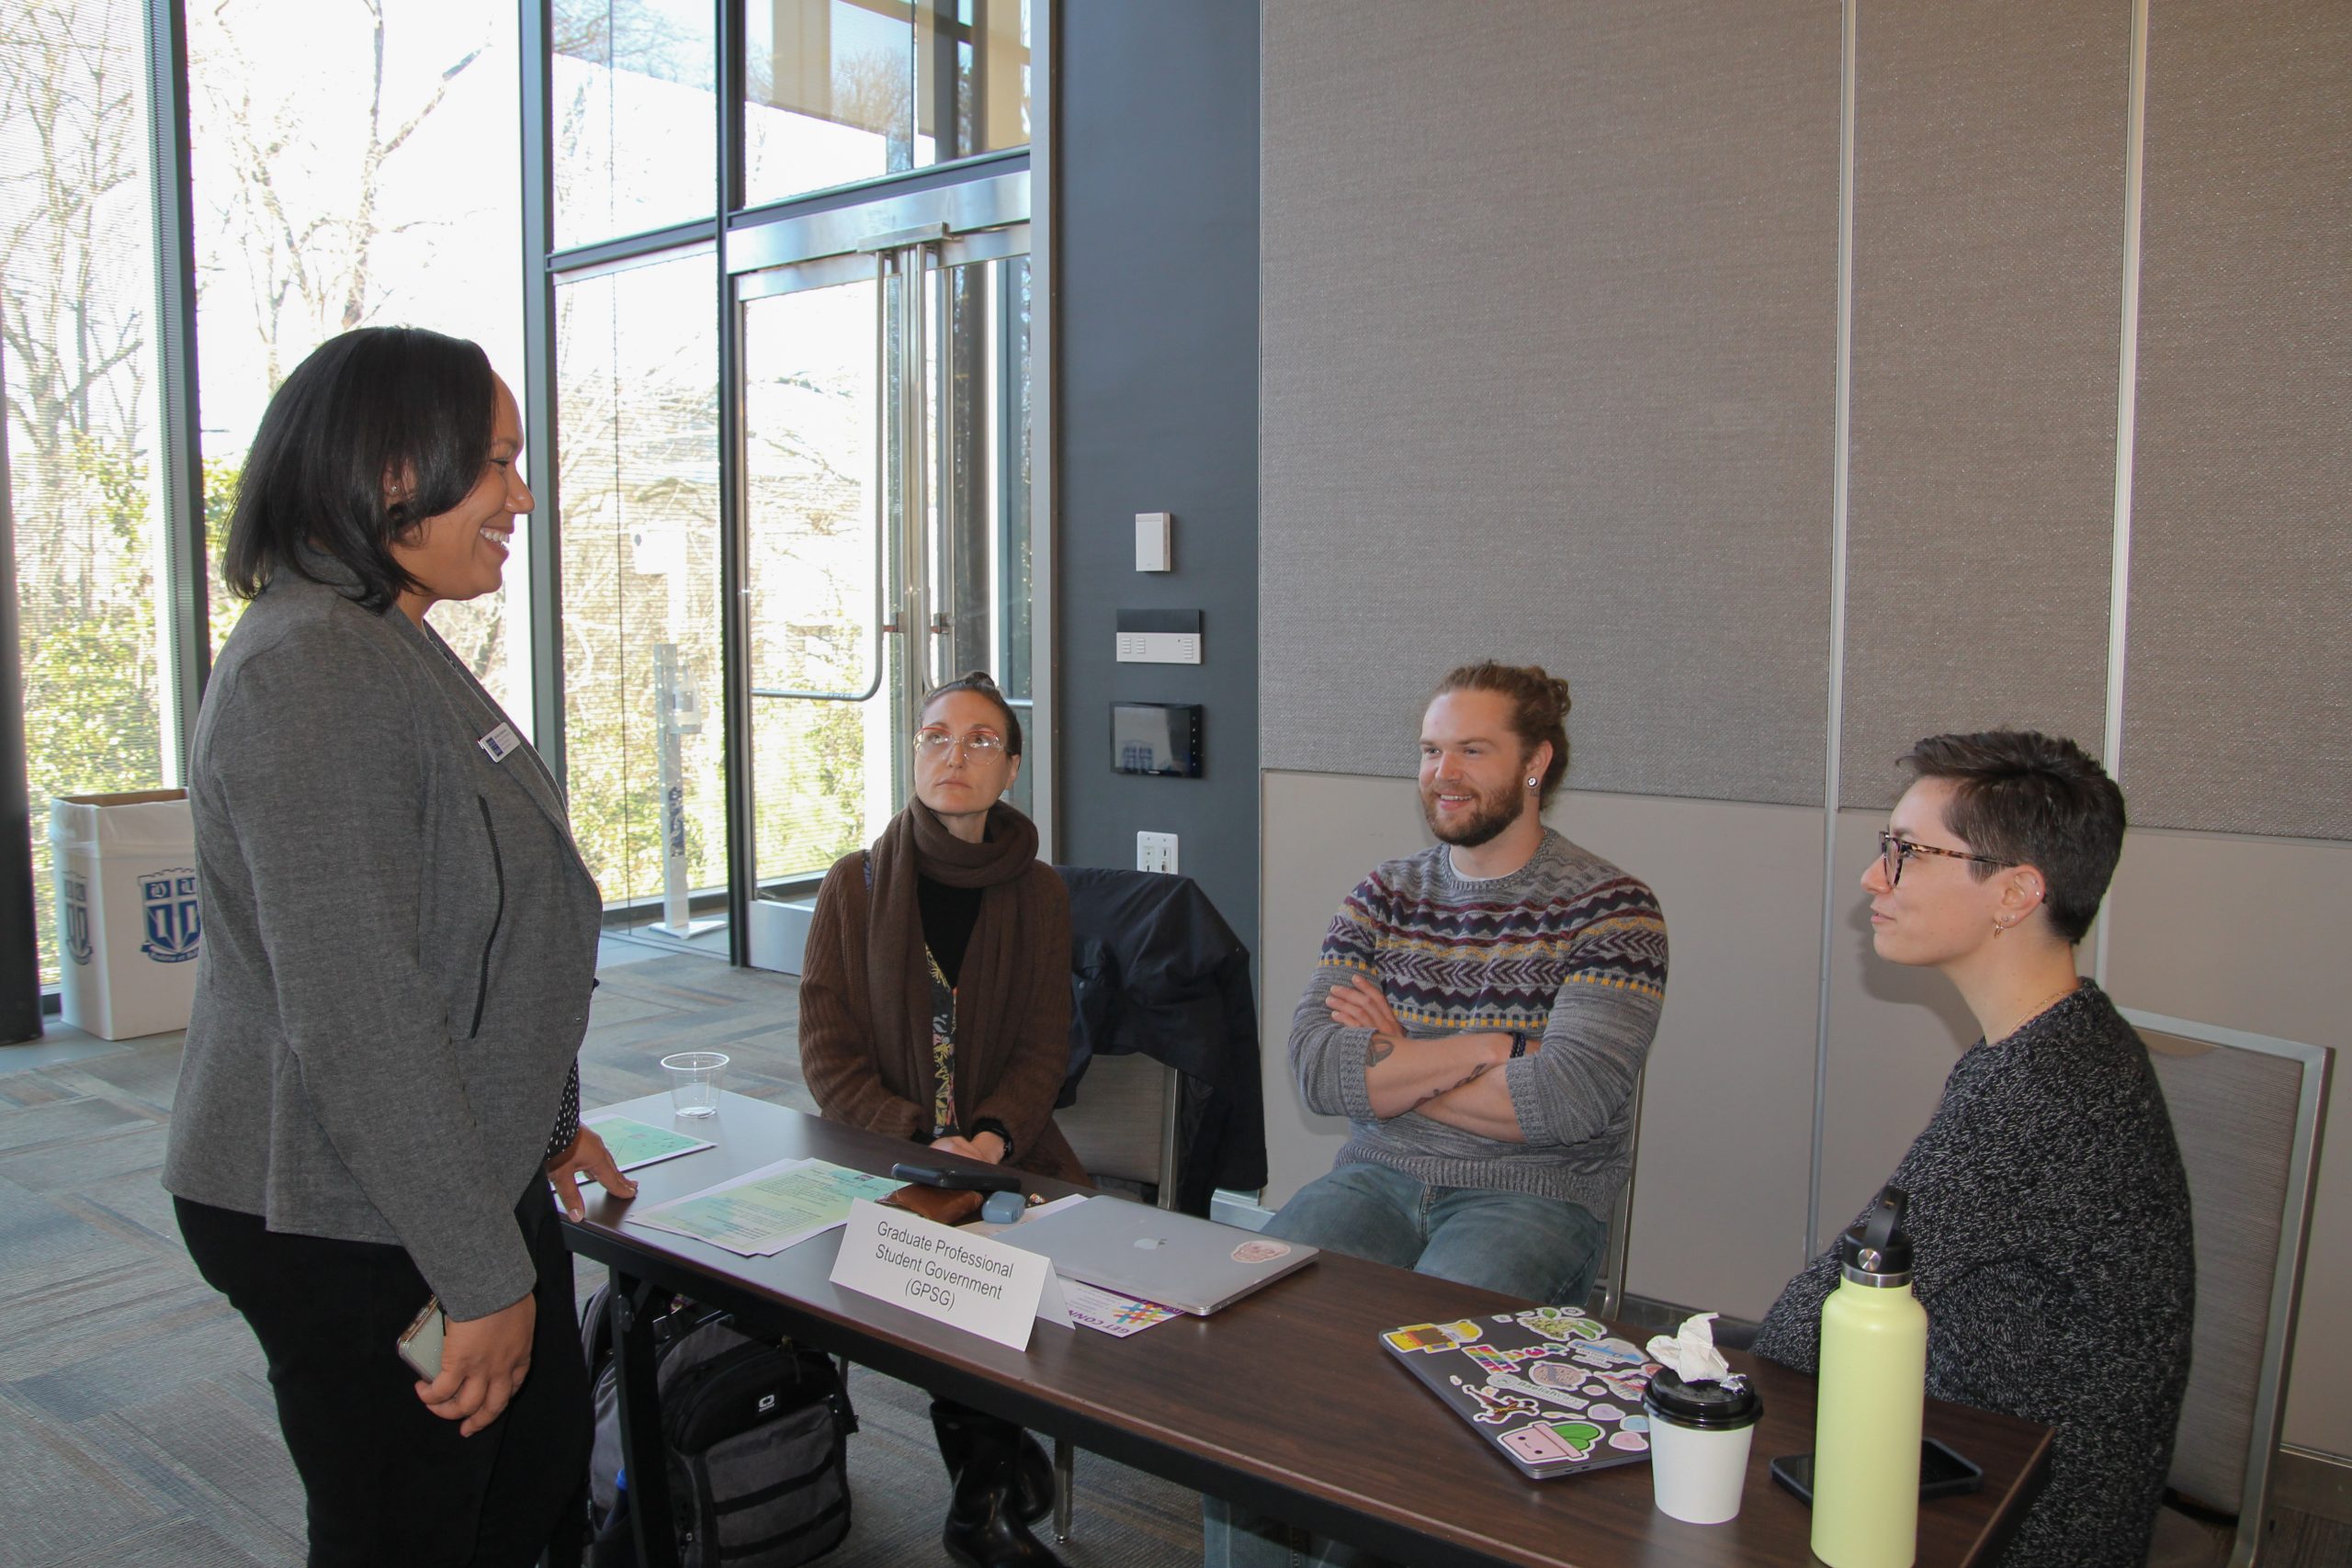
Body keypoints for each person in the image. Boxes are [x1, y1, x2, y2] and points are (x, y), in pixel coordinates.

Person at [163, 327, 634, 1566]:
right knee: (414, 1525)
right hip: (343, 1203)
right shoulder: (311, 670)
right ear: (388, 472)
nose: (520, 497)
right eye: (494, 465)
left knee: (527, 1487)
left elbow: (466, 937)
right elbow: (363, 1015)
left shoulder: (383, 635)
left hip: (444, 1175)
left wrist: (539, 1118)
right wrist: (479, 1278)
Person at [1203, 660, 1668, 1567]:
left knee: (1428, 1388)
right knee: (1249, 1347)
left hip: (1531, 1198)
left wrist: (1396, 1062)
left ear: (1535, 763)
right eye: (1428, 749)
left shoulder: (1613, 910)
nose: (1441, 772)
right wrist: (1488, 1050)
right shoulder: (1383, 894)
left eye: (1471, 750)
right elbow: (1319, 1075)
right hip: (1374, 1179)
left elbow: (1568, 1100)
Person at [1752, 730, 2193, 1568]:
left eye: (1908, 853)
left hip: (2020, 1512)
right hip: (1976, 1442)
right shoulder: (2064, 1037)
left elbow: (1807, 1323)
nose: (1873, 877)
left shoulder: (2040, 1087)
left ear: (2016, 893)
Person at [797, 671, 1082, 1568]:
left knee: (1023, 1264)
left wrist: (990, 1136)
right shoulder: (855, 884)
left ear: (1011, 771)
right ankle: (987, 1495)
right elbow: (826, 1053)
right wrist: (919, 1141)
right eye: (933, 737)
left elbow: (1045, 1046)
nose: (951, 756)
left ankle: (988, 1484)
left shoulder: (1039, 894)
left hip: (1013, 1154)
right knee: (946, 1270)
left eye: (979, 741)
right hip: (883, 1161)